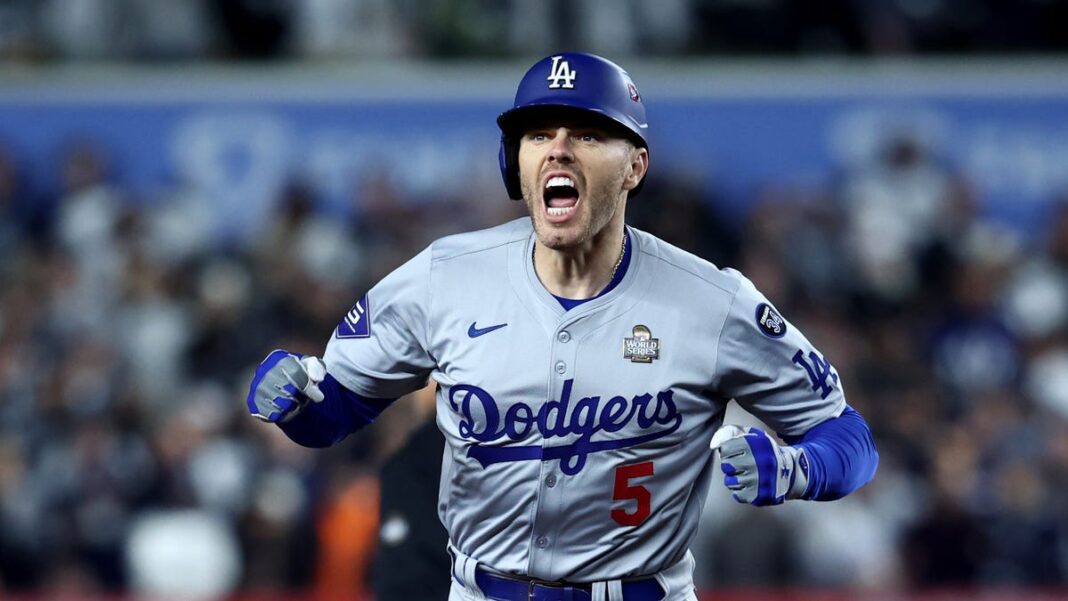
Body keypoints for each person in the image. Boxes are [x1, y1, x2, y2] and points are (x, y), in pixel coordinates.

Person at [246, 52, 879, 601]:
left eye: (587, 134)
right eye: (538, 133)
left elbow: (849, 439)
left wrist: (798, 469)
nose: (558, 148)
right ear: (513, 164)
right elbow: (338, 411)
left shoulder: (713, 301)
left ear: (634, 166)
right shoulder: (442, 277)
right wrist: (299, 405)